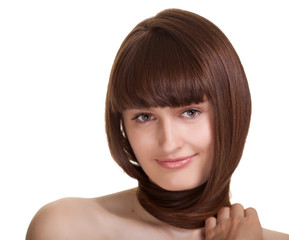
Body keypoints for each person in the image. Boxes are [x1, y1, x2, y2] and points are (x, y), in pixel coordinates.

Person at [26, 8, 289, 240]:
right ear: (122, 126)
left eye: (190, 112)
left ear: (233, 112)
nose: (170, 143)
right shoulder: (67, 228)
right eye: (145, 117)